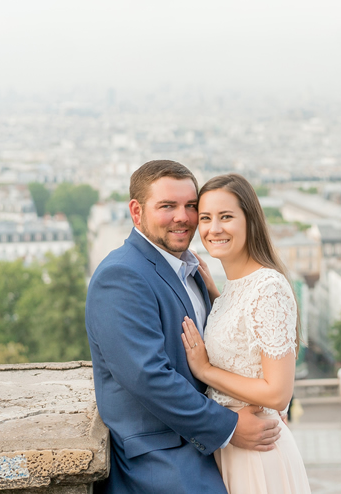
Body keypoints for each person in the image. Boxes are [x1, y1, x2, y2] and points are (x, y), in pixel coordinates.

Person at [85, 161, 281, 494]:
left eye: (191, 206)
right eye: (167, 206)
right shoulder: (121, 276)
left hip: (202, 439)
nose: (183, 217)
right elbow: (148, 376)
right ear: (136, 211)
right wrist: (230, 426)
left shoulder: (188, 268)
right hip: (162, 454)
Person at [181, 173, 311, 494]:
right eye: (207, 218)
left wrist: (205, 370)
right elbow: (240, 340)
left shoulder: (268, 287)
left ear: (250, 220)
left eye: (226, 217)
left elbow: (278, 393)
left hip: (258, 456)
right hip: (234, 448)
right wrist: (216, 296)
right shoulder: (234, 289)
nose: (214, 229)